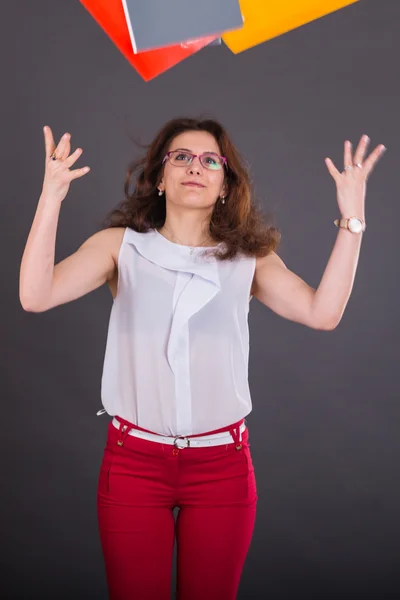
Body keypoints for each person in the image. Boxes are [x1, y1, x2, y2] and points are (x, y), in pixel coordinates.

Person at [19, 118, 385, 600]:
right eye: (182, 157)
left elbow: (323, 313)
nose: (197, 167)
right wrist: (51, 197)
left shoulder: (249, 258)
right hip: (134, 465)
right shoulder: (121, 247)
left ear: (225, 185)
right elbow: (35, 295)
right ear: (159, 177)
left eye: (211, 160)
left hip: (223, 468)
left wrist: (352, 219)